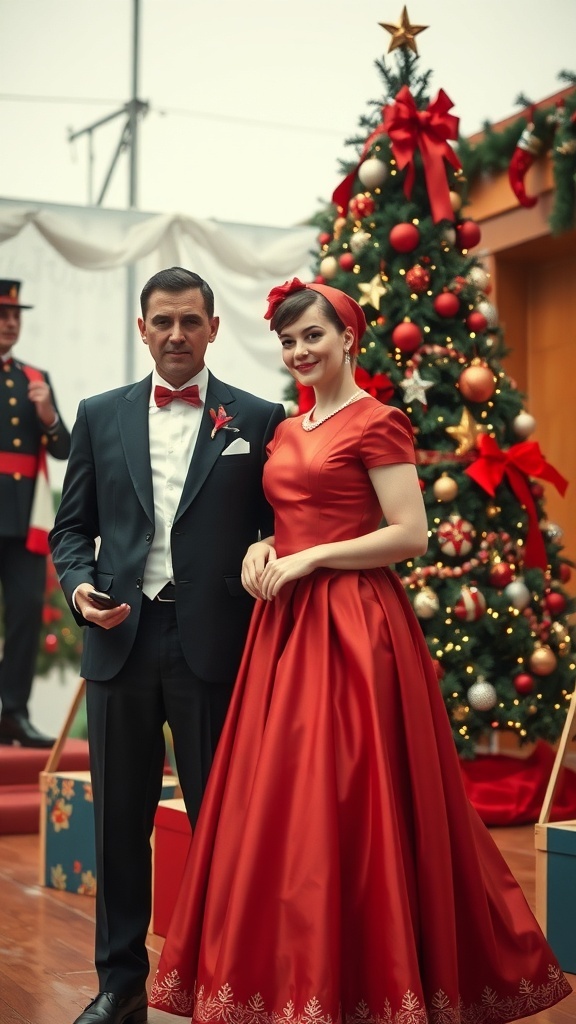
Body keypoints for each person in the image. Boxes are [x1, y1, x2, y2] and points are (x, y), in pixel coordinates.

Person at [150, 278, 572, 1024]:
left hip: (354, 623)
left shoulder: (379, 421)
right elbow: (284, 517)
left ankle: (375, 980)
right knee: (283, 796)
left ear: (348, 337)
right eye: (287, 340)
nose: (299, 351)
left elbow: (411, 534)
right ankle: (292, 976)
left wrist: (312, 559)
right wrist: (262, 549)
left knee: (353, 787)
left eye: (313, 335)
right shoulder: (285, 429)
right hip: (284, 629)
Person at [49, 266, 285, 1024]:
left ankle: (224, 980)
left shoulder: (258, 416)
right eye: (162, 322)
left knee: (222, 819)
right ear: (141, 328)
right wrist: (81, 590)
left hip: (214, 641)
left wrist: (272, 544)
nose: (176, 334)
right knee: (120, 820)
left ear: (215, 328)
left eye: (191, 321)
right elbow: (70, 530)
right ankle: (120, 986)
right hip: (120, 638)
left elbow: (283, 520)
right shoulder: (98, 413)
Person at [0, 279, 70, 748]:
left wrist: (47, 415)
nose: (11, 324)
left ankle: (14, 715)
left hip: (23, 520)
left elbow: (64, 447)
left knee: (25, 614)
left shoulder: (34, 378)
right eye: (3, 316)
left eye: (16, 317)